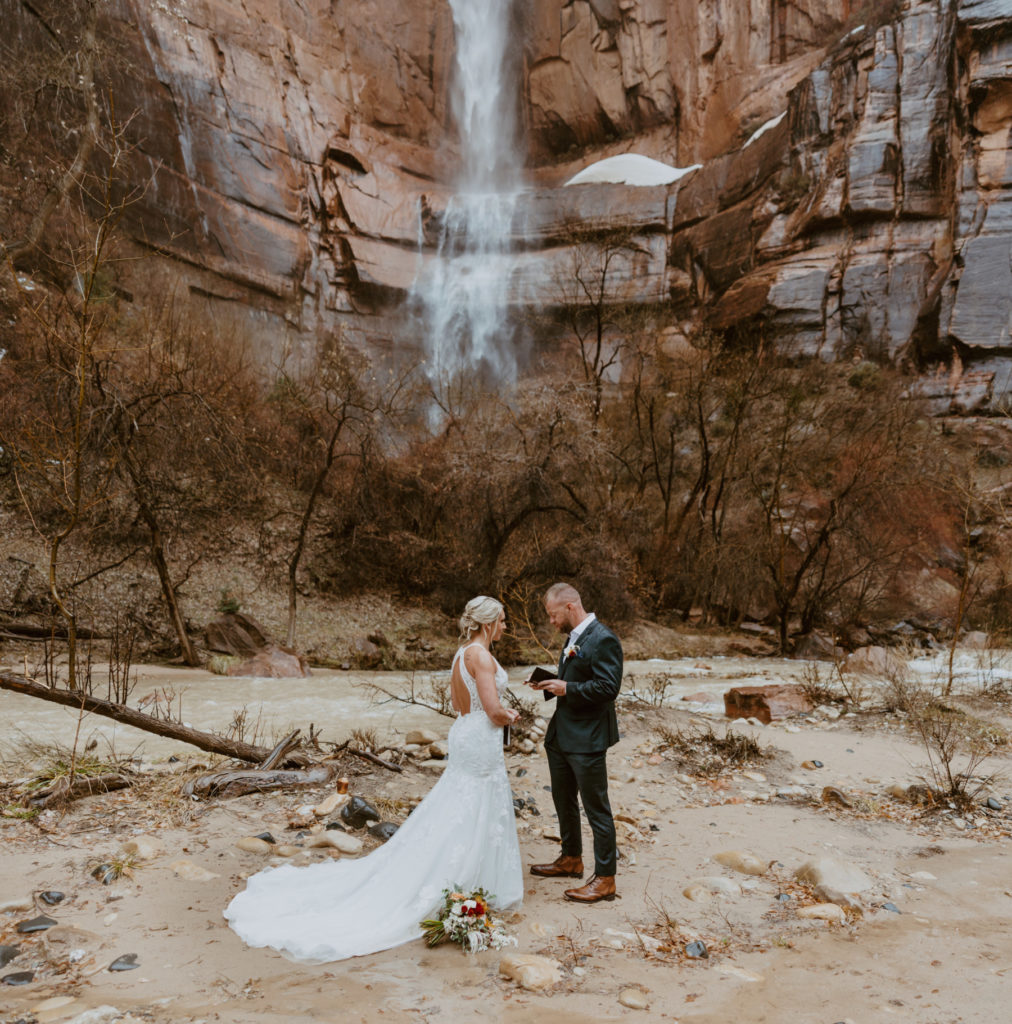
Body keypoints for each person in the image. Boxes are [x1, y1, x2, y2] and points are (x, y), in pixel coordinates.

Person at [224, 596, 523, 962]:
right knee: (477, 802)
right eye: (503, 621)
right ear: (488, 623)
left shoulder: (461, 654)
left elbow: (461, 707)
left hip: (464, 731)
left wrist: (489, 714)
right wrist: (509, 715)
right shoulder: (482, 656)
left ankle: (460, 873)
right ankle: (470, 879)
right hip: (480, 738)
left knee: (458, 803)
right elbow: (491, 711)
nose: (506, 627)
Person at [527, 582, 622, 903]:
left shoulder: (604, 638)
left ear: (570, 607)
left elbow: (608, 688)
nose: (551, 622)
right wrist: (549, 683)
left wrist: (567, 688)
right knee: (563, 800)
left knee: (597, 808)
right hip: (562, 735)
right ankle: (571, 859)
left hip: (588, 738)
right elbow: (580, 676)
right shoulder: (574, 638)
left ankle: (606, 878)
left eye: (553, 615)